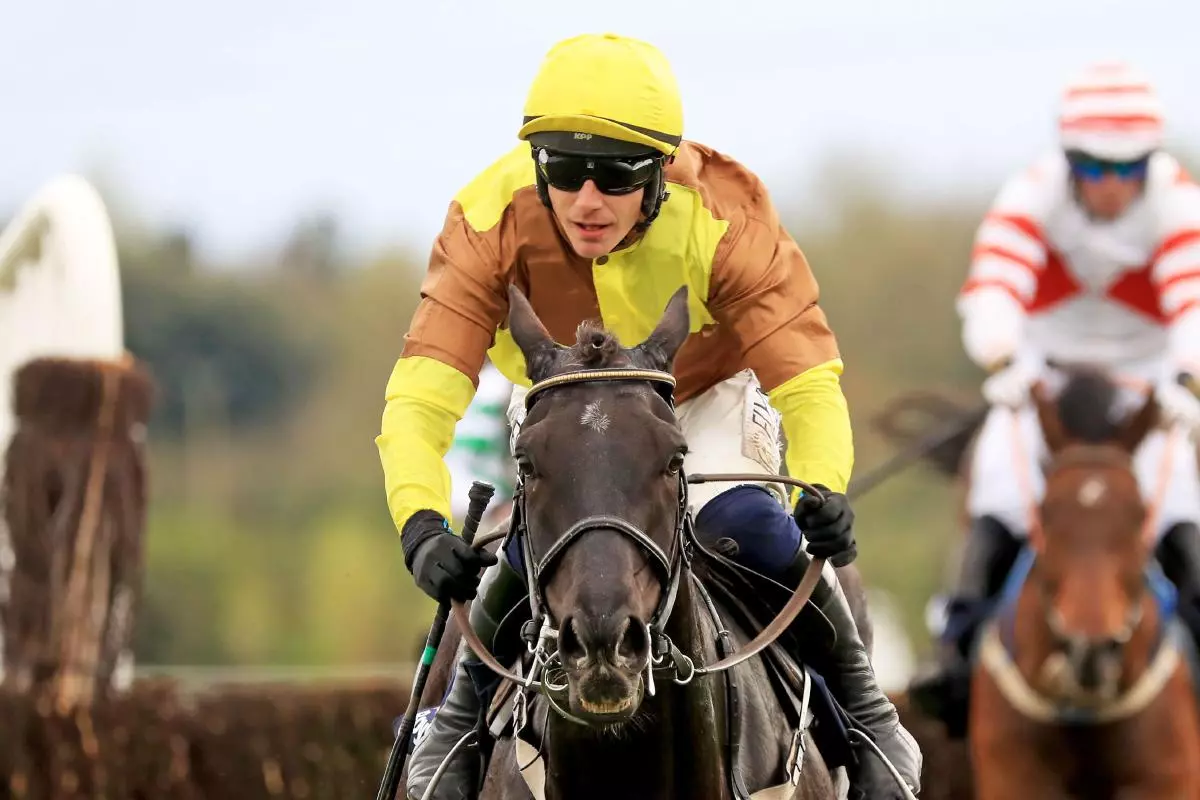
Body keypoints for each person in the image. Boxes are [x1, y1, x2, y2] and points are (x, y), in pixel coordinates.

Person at [376, 32, 921, 799]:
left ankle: (868, 721)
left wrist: (819, 491)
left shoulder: (726, 217)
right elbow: (418, 402)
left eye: (615, 175)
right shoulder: (485, 219)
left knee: (755, 526)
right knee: (535, 541)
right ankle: (459, 724)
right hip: (565, 407)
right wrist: (421, 525)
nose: (587, 200)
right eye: (565, 172)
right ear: (538, 167)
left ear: (661, 171)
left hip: (693, 402)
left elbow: (809, 384)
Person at [910, 61, 1200, 732]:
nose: (1111, 187)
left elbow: (1193, 302)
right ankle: (952, 657)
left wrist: (1187, 378)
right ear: (1068, 161)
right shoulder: (1030, 193)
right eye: (1095, 169)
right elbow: (993, 289)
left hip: (1148, 382)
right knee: (998, 494)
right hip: (1042, 377)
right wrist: (1003, 358)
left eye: (1128, 171)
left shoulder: (1179, 203)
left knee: (1180, 506)